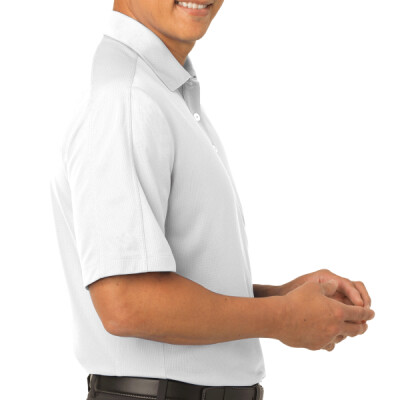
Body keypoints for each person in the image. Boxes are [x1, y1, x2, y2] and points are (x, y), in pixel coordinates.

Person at [49, 1, 376, 400]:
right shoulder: (127, 100)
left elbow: (163, 284)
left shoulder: (159, 95)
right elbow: (127, 303)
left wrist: (282, 298)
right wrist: (282, 317)